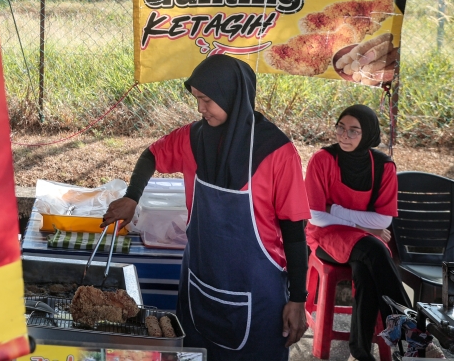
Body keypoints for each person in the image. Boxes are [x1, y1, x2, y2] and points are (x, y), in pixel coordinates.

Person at [103, 55, 310, 360]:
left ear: (232, 95)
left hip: (257, 297)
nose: (200, 108)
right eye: (197, 99)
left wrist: (298, 299)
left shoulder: (277, 152)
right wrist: (132, 197)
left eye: (207, 100)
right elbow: (151, 155)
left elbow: (294, 233)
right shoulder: (193, 137)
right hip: (198, 286)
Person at [305, 104, 410, 361]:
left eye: (354, 131)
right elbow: (315, 215)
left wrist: (337, 210)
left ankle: (360, 351)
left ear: (369, 134)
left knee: (367, 268)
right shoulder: (322, 160)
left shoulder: (383, 167)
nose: (344, 136)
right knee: (374, 250)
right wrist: (362, 225)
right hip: (325, 235)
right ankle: (410, 336)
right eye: (341, 128)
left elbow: (383, 218)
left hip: (364, 238)